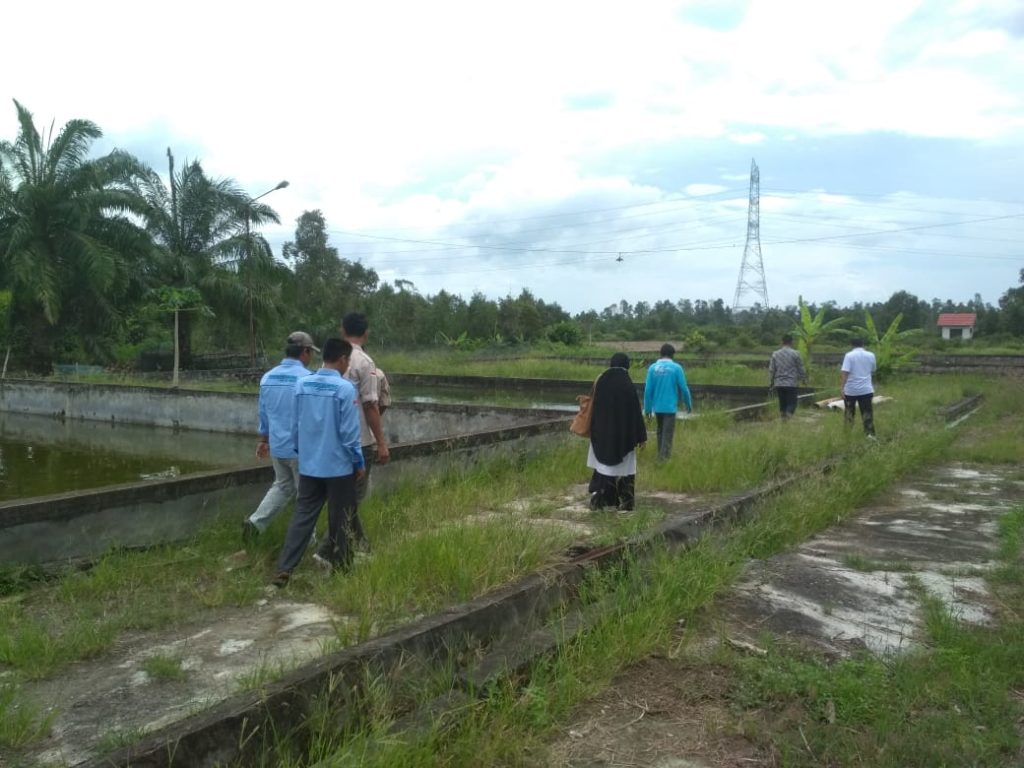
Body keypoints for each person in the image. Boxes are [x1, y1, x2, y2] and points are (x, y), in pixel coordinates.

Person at [273, 338, 365, 586]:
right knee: (341, 517)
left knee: (303, 515)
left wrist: (301, 451)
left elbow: (294, 426)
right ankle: (342, 568)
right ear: (343, 359)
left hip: (310, 465)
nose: (347, 365)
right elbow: (349, 434)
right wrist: (358, 462)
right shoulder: (345, 389)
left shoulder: (302, 385)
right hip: (338, 467)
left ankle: (284, 568)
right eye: (348, 361)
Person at [311, 311, 389, 564]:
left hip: (329, 440)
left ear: (343, 331)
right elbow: (371, 405)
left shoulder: (328, 361)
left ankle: (361, 545)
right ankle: (325, 551)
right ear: (366, 333)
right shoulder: (365, 362)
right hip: (358, 441)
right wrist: (381, 442)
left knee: (344, 498)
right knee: (351, 500)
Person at [243, 332, 317, 542]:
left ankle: (255, 523)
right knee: (306, 495)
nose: (311, 356)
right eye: (311, 352)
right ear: (305, 351)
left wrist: (263, 440)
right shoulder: (308, 379)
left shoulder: (268, 377)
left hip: (278, 447)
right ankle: (306, 542)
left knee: (283, 486)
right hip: (301, 449)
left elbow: (264, 412)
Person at [588, 352, 647, 511]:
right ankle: (626, 501)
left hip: (602, 435)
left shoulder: (601, 381)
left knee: (602, 468)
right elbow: (635, 412)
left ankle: (602, 499)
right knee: (625, 470)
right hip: (623, 438)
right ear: (626, 365)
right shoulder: (626, 384)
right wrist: (641, 436)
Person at [642, 343, 693, 460]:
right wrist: (688, 405)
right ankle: (663, 460)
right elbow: (684, 388)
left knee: (660, 432)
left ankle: (660, 456)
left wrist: (647, 408)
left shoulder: (652, 368)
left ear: (660, 354)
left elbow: (648, 390)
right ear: (672, 355)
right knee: (667, 434)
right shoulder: (676, 368)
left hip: (657, 408)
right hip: (670, 408)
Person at [841, 337, 877, 437]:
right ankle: (870, 435)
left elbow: (845, 372)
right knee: (867, 413)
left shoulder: (849, 355)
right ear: (863, 344)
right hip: (866, 390)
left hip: (851, 390)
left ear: (851, 345)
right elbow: (873, 369)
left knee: (849, 413)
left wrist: (842, 388)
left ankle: (847, 435)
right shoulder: (871, 355)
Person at [768, 333, 807, 419]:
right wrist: (804, 379)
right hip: (791, 383)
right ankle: (787, 418)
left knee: (782, 403)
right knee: (792, 403)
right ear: (791, 342)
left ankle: (783, 419)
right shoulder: (796, 354)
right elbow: (801, 368)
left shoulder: (775, 354)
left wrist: (771, 382)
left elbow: (772, 370)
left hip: (779, 383)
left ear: (782, 342)